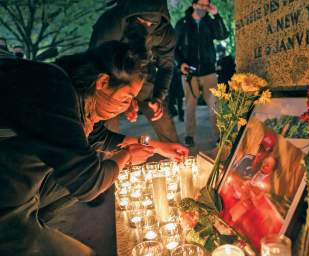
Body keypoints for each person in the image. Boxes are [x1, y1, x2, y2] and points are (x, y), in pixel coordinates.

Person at [0, 40, 188, 255]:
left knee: (94, 164)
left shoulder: (74, 92)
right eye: (127, 98)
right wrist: (125, 156)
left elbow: (100, 138)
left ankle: (37, 226)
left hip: (21, 186)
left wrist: (158, 147)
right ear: (103, 81)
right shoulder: (53, 88)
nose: (128, 107)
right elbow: (89, 182)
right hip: (6, 201)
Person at [89, 0, 179, 143]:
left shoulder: (166, 33)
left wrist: (158, 97)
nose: (147, 27)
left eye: (152, 24)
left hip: (144, 77)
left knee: (161, 116)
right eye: (142, 21)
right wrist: (124, 99)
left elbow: (166, 67)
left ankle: (177, 155)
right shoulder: (113, 22)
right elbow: (95, 61)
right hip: (110, 78)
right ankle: (104, 160)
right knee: (107, 121)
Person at [175, 0, 229, 147]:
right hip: (189, 72)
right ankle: (189, 135)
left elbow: (223, 35)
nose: (203, 8)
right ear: (194, 5)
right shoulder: (183, 24)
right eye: (201, 5)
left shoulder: (209, 23)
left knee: (215, 105)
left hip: (208, 72)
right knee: (190, 105)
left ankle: (219, 136)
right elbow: (174, 48)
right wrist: (181, 63)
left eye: (206, 5)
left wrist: (216, 15)